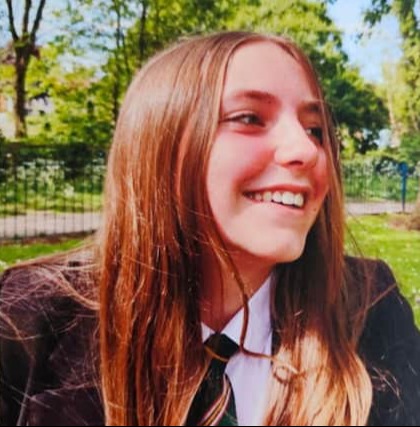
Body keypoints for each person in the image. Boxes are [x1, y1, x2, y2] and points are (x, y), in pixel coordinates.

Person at [1, 31, 419, 427]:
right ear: (159, 145)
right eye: (249, 118)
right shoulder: (26, 326)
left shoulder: (369, 310)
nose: (306, 150)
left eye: (315, 129)